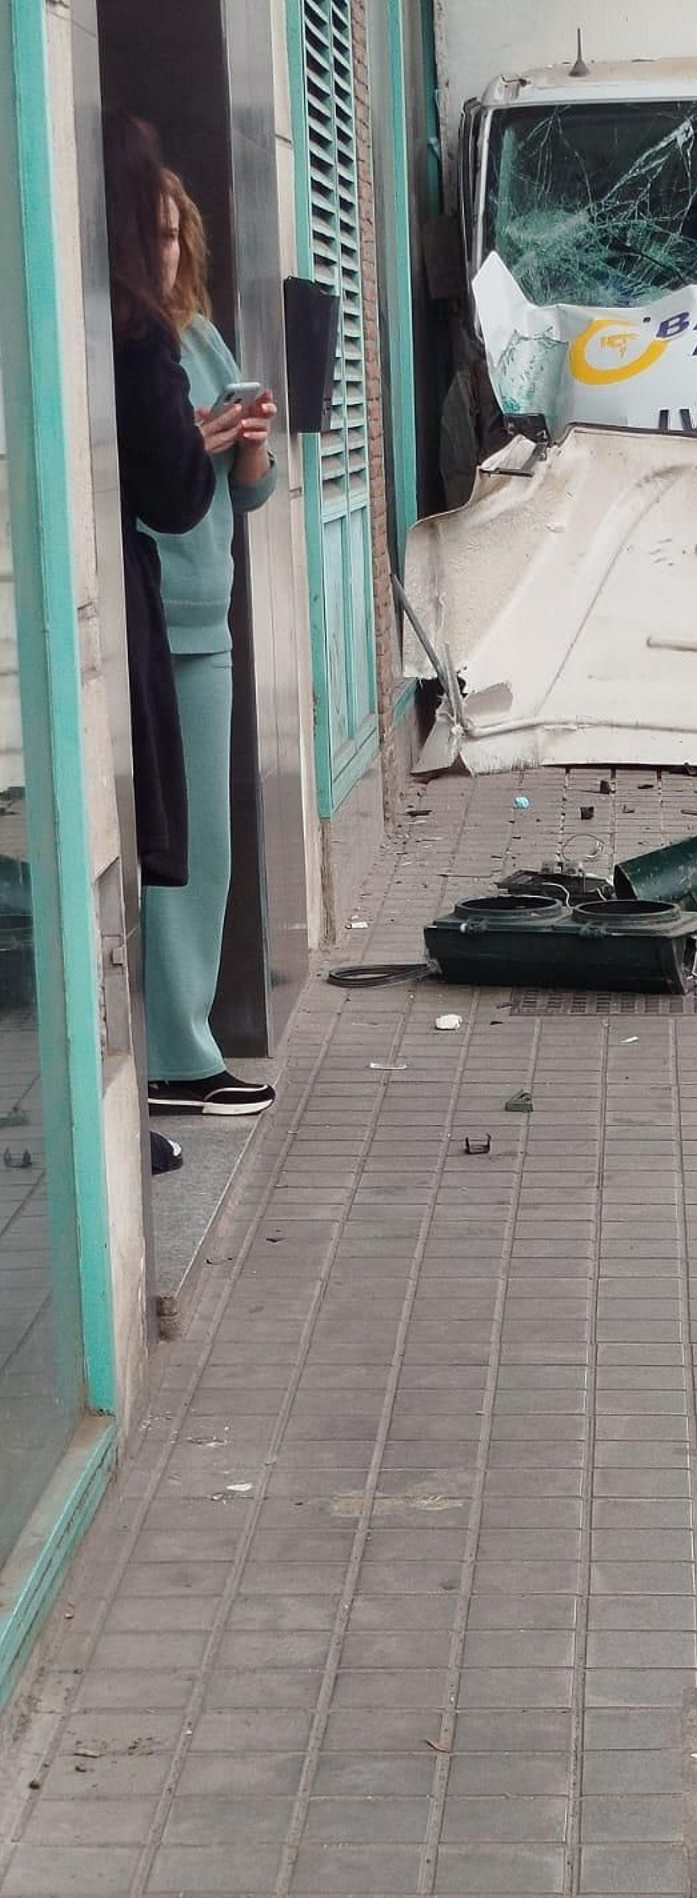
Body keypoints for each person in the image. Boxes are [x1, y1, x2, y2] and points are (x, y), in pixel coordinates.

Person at [141, 171, 279, 1121]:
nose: (167, 253)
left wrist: (249, 438)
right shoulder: (125, 344)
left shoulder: (193, 333)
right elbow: (138, 475)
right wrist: (193, 437)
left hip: (211, 611)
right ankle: (177, 1056)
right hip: (151, 613)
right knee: (169, 850)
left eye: (174, 235)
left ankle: (184, 1041)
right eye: (150, 236)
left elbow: (248, 492)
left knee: (211, 848)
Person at [101, 111, 216, 1175]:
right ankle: (112, 1110)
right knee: (118, 861)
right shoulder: (137, 333)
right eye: (162, 229)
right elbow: (177, 492)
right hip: (114, 621)